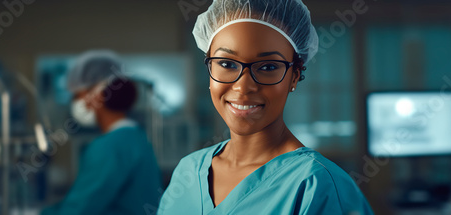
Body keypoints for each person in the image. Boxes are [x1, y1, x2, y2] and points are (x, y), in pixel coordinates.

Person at [158, 0, 374, 214]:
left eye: (268, 67)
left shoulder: (317, 185)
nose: (243, 87)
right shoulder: (188, 171)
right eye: (226, 64)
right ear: (209, 67)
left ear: (294, 77)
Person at [41, 50, 162, 215]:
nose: (74, 102)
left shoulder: (109, 147)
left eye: (77, 95)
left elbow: (80, 209)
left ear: (97, 95)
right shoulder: (137, 138)